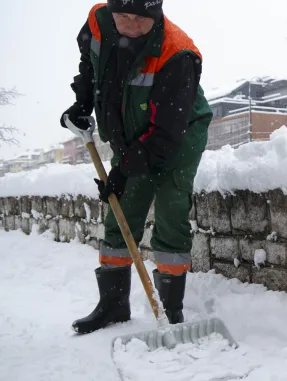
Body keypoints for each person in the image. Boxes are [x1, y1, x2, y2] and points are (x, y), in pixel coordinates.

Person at [60, 0, 212, 334]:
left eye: (139, 19)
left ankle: (171, 313)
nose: (129, 26)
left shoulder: (177, 53)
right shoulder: (98, 22)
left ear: (155, 14)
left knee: (171, 210)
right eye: (123, 16)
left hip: (179, 134)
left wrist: (123, 170)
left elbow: (166, 133)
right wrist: (83, 101)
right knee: (122, 211)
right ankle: (113, 305)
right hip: (130, 130)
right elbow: (91, 65)